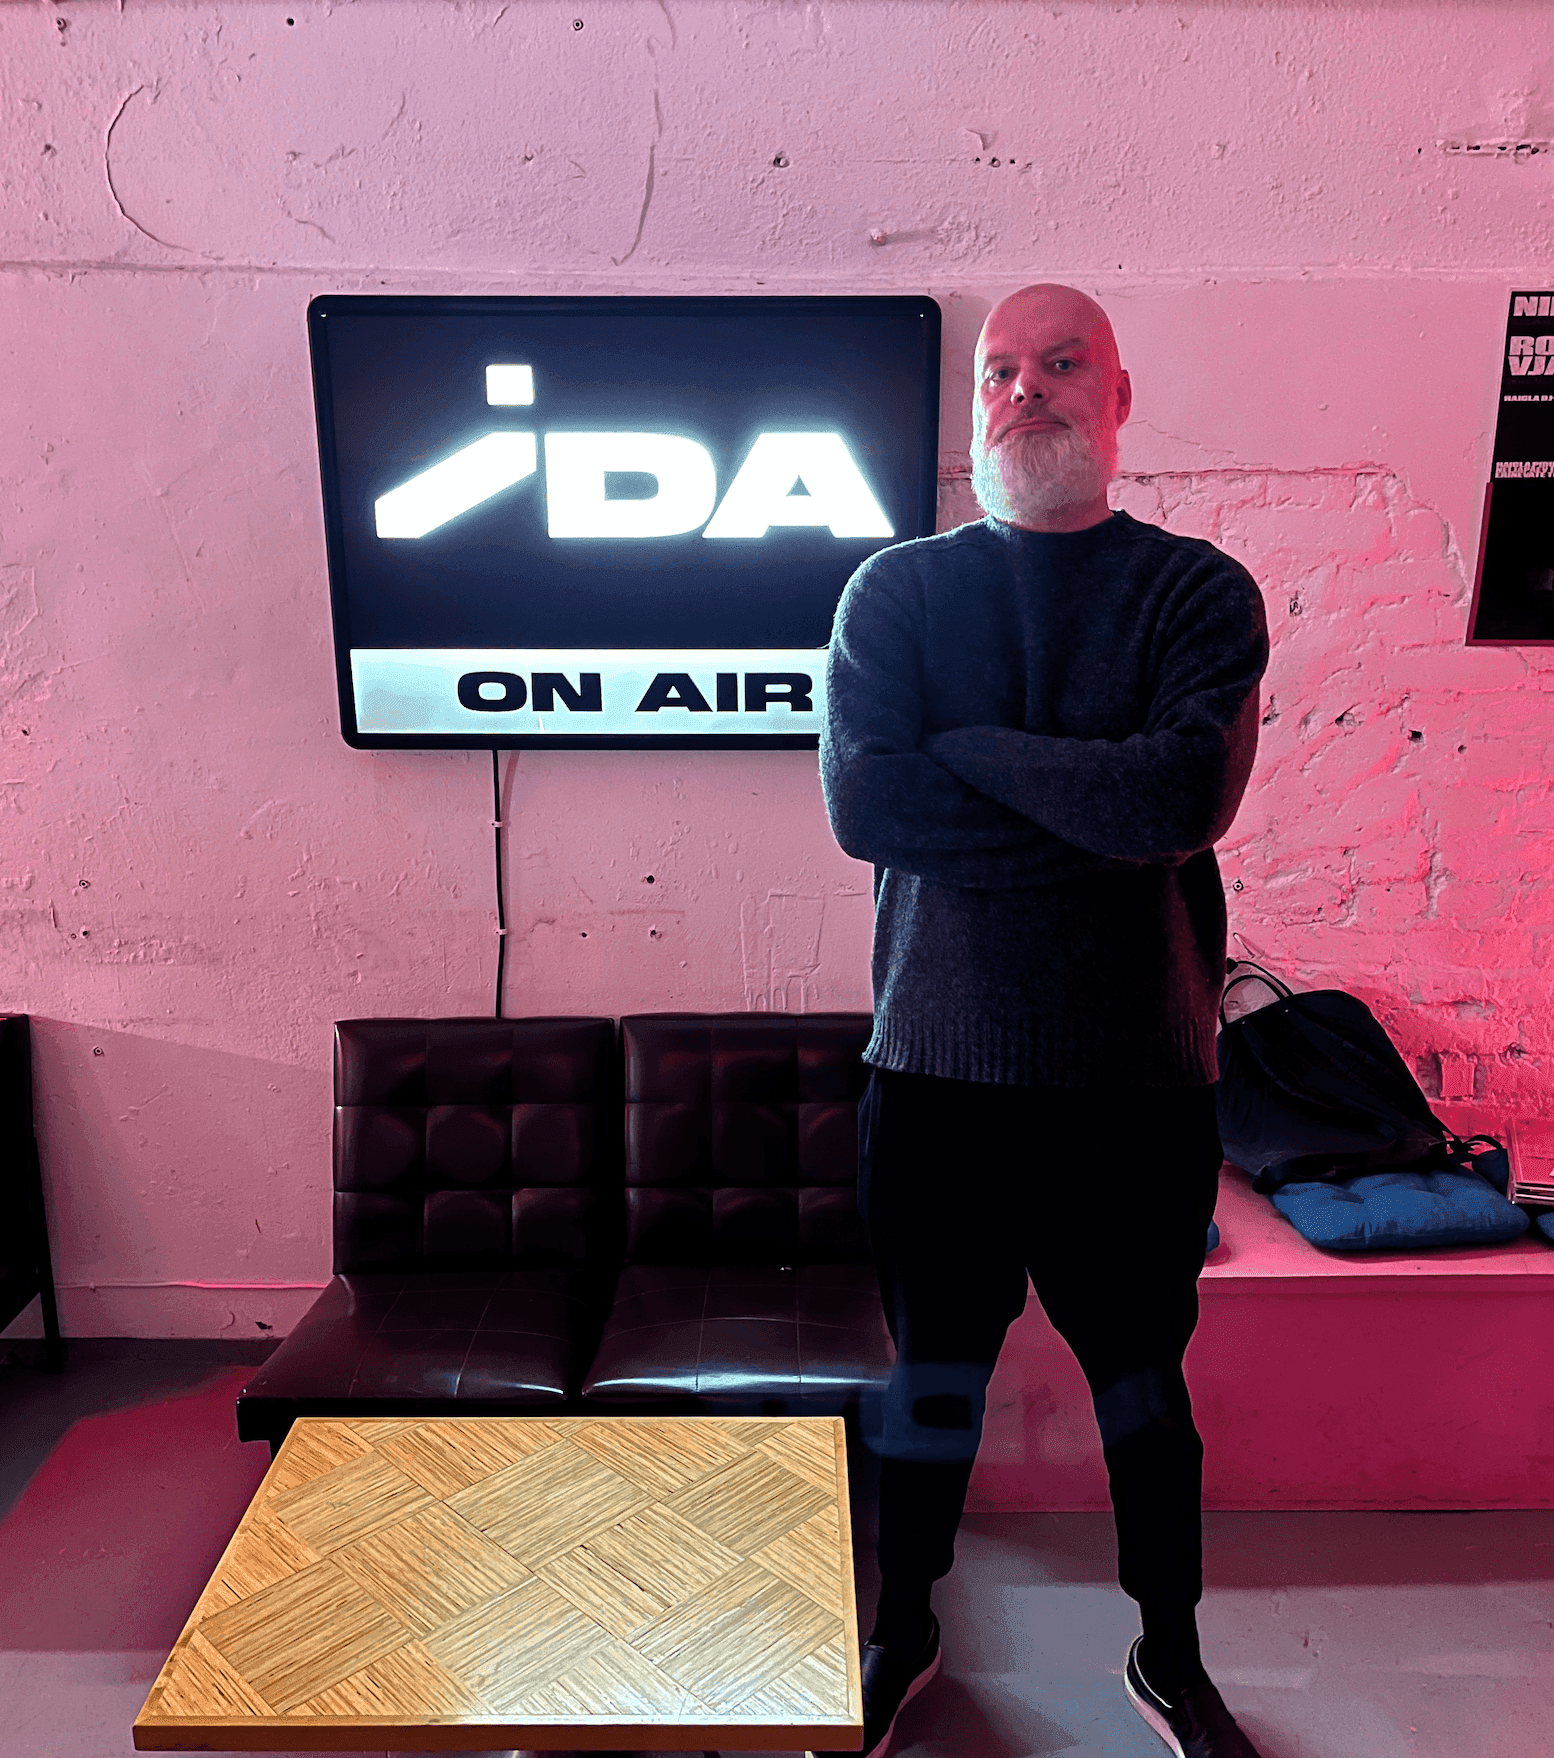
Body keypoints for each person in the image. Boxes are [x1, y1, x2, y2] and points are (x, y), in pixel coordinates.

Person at [815, 284, 1270, 1758]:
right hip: (933, 1086)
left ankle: (1169, 1652)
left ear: (1118, 396)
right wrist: (1091, 805)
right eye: (999, 372)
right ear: (971, 412)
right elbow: (869, 807)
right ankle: (902, 1629)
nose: (1026, 391)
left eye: (1061, 364)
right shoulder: (896, 594)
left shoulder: (1196, 594)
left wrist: (965, 751)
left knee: (1143, 1393)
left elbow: (1174, 798)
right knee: (933, 1384)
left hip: (1135, 1089)